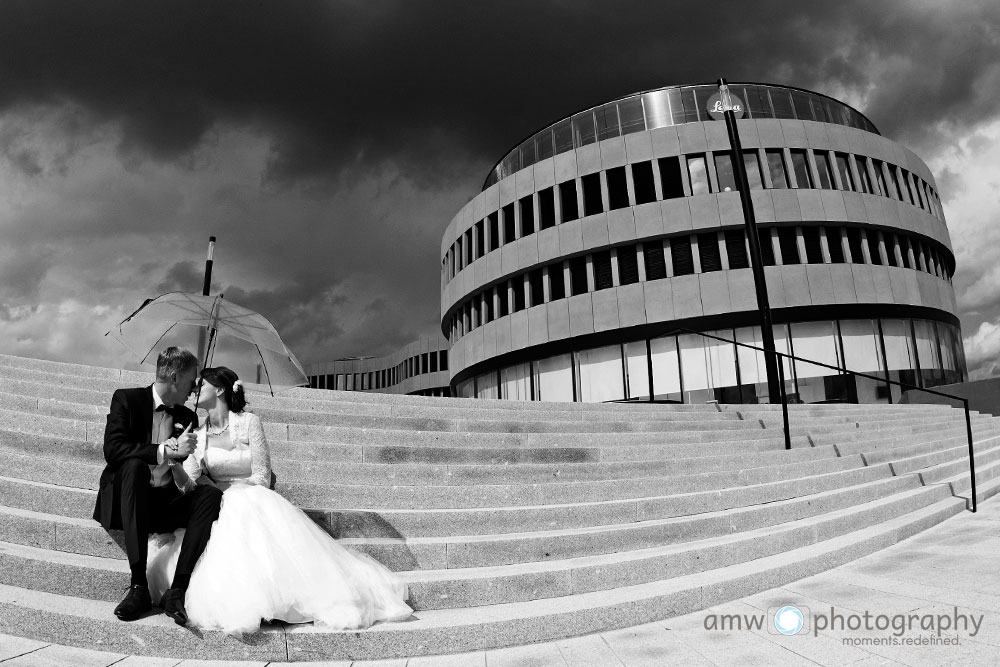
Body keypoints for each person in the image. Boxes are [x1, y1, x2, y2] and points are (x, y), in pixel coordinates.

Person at [146, 366, 412, 634]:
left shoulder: (249, 422)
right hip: (215, 501)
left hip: (251, 495)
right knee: (218, 508)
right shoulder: (197, 435)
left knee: (241, 507)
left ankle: (276, 598)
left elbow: (262, 474)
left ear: (220, 389)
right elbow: (190, 486)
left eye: (200, 385)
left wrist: (236, 493)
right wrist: (176, 462)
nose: (194, 389)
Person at [94, 347, 223, 625]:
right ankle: (138, 585)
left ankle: (177, 590)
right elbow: (113, 450)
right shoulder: (126, 399)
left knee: (210, 495)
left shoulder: (188, 418)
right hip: (128, 500)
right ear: (175, 377)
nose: (194, 388)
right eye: (191, 380)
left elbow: (183, 474)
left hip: (164, 503)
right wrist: (163, 451)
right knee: (133, 465)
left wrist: (179, 458)